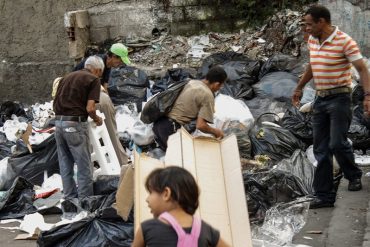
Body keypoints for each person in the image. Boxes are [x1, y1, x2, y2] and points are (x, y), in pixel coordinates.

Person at [292, 5, 370, 209]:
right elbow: (312, 65)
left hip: (340, 99)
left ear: (322, 22)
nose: (306, 28)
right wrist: (299, 87)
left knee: (336, 143)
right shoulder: (312, 40)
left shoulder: (345, 41)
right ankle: (324, 196)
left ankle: (353, 174)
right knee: (321, 148)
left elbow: (362, 68)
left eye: (309, 24)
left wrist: (367, 96)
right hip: (320, 99)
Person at [132, 166, 230, 247]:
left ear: (166, 194)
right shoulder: (206, 230)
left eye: (151, 192)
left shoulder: (147, 228)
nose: (147, 199)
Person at [53, 55, 104, 201]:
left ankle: (70, 200)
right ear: (97, 70)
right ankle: (85, 204)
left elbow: (55, 102)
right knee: (84, 167)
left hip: (58, 124)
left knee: (65, 165)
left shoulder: (66, 77)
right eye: (100, 73)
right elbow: (90, 108)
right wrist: (97, 119)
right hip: (75, 125)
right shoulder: (93, 79)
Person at [153, 66, 227, 151]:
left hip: (158, 124)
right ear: (216, 84)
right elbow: (201, 125)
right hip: (170, 130)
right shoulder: (207, 95)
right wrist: (216, 132)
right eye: (220, 86)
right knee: (182, 160)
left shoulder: (191, 82)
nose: (219, 89)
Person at [96, 85, 129, 167]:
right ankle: (123, 164)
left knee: (89, 137)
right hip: (102, 97)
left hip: (91, 100)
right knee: (112, 134)